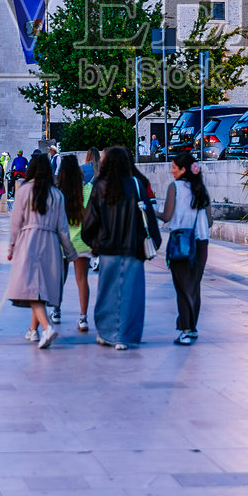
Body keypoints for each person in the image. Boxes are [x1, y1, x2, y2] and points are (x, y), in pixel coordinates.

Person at [81, 146, 159, 350]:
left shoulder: (100, 186)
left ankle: (107, 333)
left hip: (108, 249)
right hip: (133, 248)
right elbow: (149, 217)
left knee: (107, 292)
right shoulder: (136, 184)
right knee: (131, 294)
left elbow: (90, 221)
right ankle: (125, 335)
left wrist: (93, 242)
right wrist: (153, 243)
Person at [3, 153, 74, 349]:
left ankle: (46, 327)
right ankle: (33, 330)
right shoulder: (56, 194)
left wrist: (11, 247)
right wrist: (70, 252)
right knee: (39, 287)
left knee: (31, 286)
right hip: (50, 243)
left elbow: (16, 222)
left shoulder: (24, 190)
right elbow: (63, 228)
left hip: (29, 241)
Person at [156, 152, 212, 346]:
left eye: (174, 167)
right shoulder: (201, 189)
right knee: (194, 285)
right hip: (201, 242)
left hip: (181, 240)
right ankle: (193, 327)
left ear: (183, 170)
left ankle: (186, 330)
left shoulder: (175, 188)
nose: (171, 171)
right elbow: (210, 220)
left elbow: (167, 216)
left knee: (182, 287)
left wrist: (149, 209)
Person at [56, 154, 91, 333]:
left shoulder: (57, 192)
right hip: (82, 241)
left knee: (59, 279)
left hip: (62, 242)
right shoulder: (88, 189)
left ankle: (56, 310)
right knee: (82, 279)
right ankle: (83, 317)